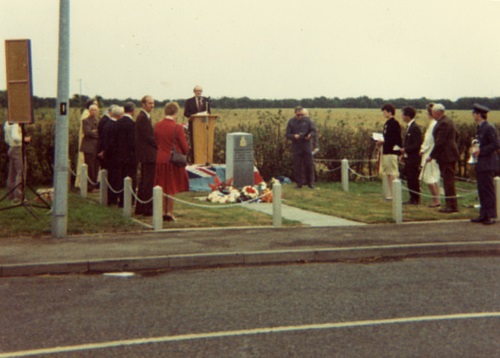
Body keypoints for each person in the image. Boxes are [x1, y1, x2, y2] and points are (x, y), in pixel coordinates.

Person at [154, 102, 189, 221]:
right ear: (176, 112)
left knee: (162, 187)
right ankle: (169, 212)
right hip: (172, 160)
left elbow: (156, 142)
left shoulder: (157, 125)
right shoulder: (177, 127)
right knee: (171, 187)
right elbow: (185, 146)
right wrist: (185, 151)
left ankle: (162, 211)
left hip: (160, 158)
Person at [470, 103, 499, 225]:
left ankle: (491, 215)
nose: (473, 115)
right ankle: (483, 214)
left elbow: (495, 144)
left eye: (474, 113)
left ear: (479, 115)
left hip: (487, 163)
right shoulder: (480, 127)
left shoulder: (489, 128)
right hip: (481, 163)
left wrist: (481, 151)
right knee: (481, 189)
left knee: (488, 190)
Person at [426, 103, 459, 213]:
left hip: (447, 156)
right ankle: (450, 204)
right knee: (448, 180)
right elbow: (456, 135)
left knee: (448, 181)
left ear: (437, 112)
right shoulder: (448, 121)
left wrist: (431, 155)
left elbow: (440, 142)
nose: (432, 114)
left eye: (433, 112)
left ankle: (451, 206)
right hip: (449, 154)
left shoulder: (443, 123)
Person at [135, 95, 157, 216]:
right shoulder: (143, 118)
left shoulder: (145, 117)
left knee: (144, 181)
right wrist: (159, 143)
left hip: (146, 154)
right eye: (150, 103)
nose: (152, 106)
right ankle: (147, 209)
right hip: (147, 155)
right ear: (143, 104)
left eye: (153, 103)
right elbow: (148, 137)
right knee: (148, 182)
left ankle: (141, 207)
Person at [286, 106, 315, 189]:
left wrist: (309, 136)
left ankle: (310, 183)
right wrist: (294, 136)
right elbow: (287, 135)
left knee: (309, 165)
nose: (300, 116)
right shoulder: (291, 122)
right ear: (295, 113)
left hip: (306, 145)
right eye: (298, 115)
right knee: (297, 165)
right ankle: (299, 183)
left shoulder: (308, 121)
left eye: (302, 115)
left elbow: (313, 131)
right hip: (296, 146)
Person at [114, 102, 137, 207]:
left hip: (119, 155)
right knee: (130, 178)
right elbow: (133, 142)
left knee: (121, 178)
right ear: (133, 111)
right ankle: (129, 201)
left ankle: (121, 200)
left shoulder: (118, 123)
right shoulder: (132, 124)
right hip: (130, 157)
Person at [377, 104, 402, 200]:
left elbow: (394, 139)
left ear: (390, 112)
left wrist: (383, 141)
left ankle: (394, 193)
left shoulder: (394, 123)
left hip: (391, 151)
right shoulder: (387, 123)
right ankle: (390, 192)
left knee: (392, 172)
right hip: (386, 151)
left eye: (385, 112)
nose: (384, 114)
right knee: (388, 172)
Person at [99, 105, 123, 206]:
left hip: (107, 155)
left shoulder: (107, 124)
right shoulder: (115, 125)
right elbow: (112, 142)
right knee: (114, 178)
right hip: (113, 156)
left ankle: (109, 198)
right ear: (119, 115)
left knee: (110, 177)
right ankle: (112, 199)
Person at [399, 106, 422, 205]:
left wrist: (406, 149)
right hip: (409, 157)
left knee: (413, 178)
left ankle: (415, 198)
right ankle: (412, 198)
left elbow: (417, 144)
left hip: (414, 158)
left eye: (403, 114)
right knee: (409, 178)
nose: (402, 116)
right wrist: (403, 154)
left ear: (407, 116)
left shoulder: (415, 128)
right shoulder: (410, 127)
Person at [419, 103, 441, 207]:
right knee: (434, 177)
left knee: (429, 178)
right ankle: (437, 199)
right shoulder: (436, 123)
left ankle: (436, 200)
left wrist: (422, 150)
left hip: (429, 153)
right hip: (434, 153)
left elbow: (428, 140)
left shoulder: (433, 125)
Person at [3, 121, 30, 204]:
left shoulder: (7, 123)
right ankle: (18, 196)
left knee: (12, 173)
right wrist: (24, 139)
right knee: (20, 172)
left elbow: (6, 139)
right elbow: (15, 137)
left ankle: (10, 195)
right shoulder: (15, 124)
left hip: (11, 148)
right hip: (17, 149)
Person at [183, 85, 211, 162]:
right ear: (194, 92)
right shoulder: (189, 101)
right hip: (194, 126)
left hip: (204, 125)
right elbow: (186, 113)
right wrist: (194, 116)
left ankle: (204, 160)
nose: (199, 92)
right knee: (194, 144)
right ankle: (194, 160)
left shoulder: (206, 100)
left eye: (200, 91)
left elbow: (209, 112)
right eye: (197, 91)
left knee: (204, 143)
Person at [75, 98, 97, 188]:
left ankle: (91, 183)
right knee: (88, 165)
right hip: (88, 144)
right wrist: (95, 132)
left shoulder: (95, 118)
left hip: (92, 144)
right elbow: (88, 131)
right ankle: (87, 184)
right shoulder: (86, 116)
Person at [79, 104, 100, 192]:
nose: (94, 112)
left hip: (97, 148)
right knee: (90, 167)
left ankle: (94, 185)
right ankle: (90, 186)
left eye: (95, 110)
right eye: (92, 110)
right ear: (89, 111)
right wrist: (96, 133)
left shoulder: (99, 121)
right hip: (89, 148)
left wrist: (95, 132)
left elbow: (100, 131)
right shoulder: (85, 121)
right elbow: (87, 132)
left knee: (96, 167)